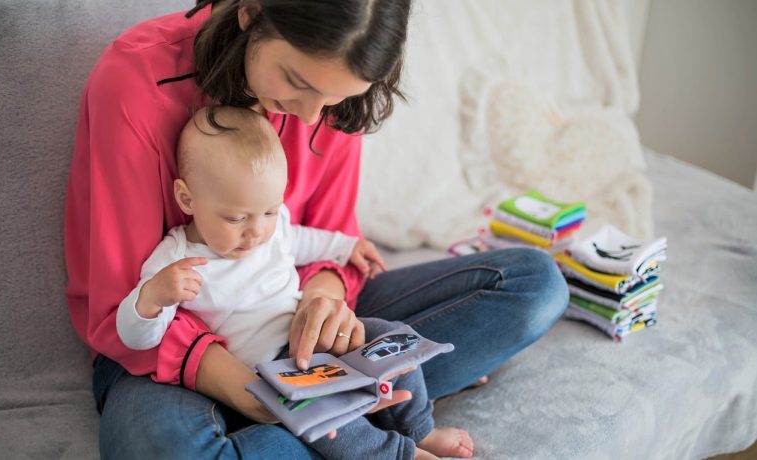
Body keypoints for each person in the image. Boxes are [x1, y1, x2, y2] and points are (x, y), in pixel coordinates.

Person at [64, 0, 568, 458]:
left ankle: (333, 422)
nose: (311, 115)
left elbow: (329, 239)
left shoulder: (330, 99)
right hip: (162, 352)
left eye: (334, 98)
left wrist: (323, 302)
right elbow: (125, 306)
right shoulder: (134, 83)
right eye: (298, 82)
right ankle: (350, 425)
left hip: (294, 328)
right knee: (159, 449)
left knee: (535, 285)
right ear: (251, 11)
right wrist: (248, 389)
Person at [114, 106, 469, 460]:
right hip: (273, 368)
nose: (256, 232)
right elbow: (136, 337)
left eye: (269, 211)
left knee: (394, 337)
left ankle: (421, 429)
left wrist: (347, 247)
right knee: (327, 415)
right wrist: (153, 297)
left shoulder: (271, 226)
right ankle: (396, 454)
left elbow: (301, 240)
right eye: (236, 218)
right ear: (187, 198)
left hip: (312, 334)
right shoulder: (177, 258)